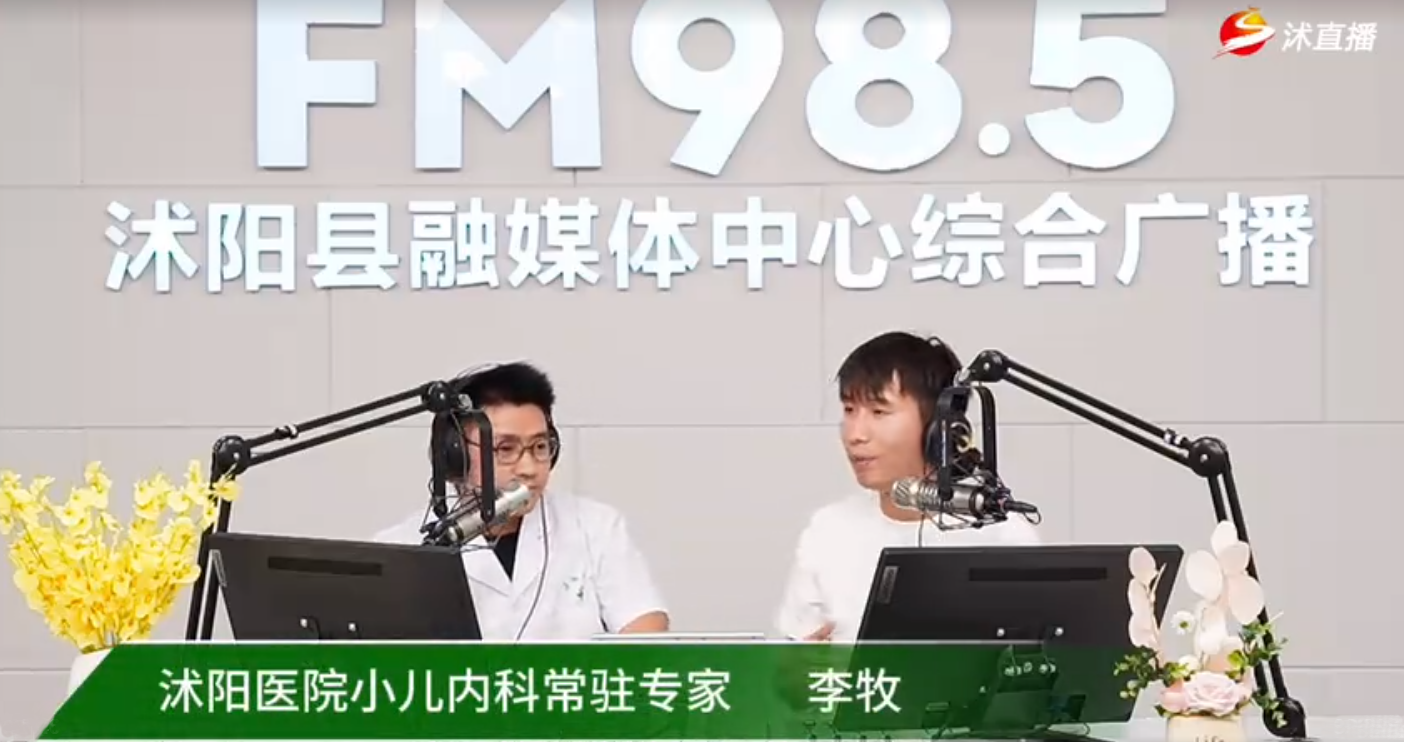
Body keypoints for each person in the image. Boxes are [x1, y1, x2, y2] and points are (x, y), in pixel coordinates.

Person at [775, 331, 1040, 643]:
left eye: (878, 412)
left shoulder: (1001, 534)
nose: (855, 434)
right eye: (849, 410)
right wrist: (798, 664)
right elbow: (789, 659)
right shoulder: (828, 530)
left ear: (939, 429)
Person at [374, 362, 669, 640]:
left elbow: (645, 626)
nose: (529, 468)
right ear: (455, 457)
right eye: (505, 449)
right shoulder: (399, 549)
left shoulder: (595, 527)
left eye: (539, 446)